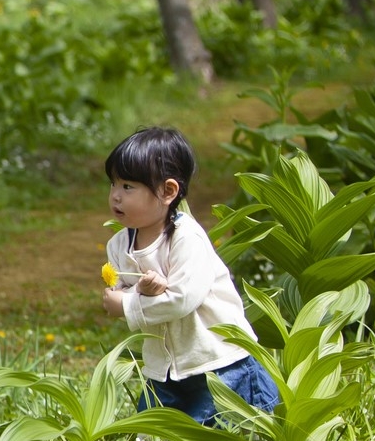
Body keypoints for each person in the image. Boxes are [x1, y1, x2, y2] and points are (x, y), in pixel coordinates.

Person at [100, 127, 280, 425]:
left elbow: (183, 299)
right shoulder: (118, 244)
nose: (116, 196)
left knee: (223, 435)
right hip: (165, 366)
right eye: (113, 184)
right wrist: (132, 293)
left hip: (215, 359)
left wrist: (128, 304)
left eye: (128, 187)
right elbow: (122, 288)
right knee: (155, 434)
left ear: (168, 192)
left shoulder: (187, 239)